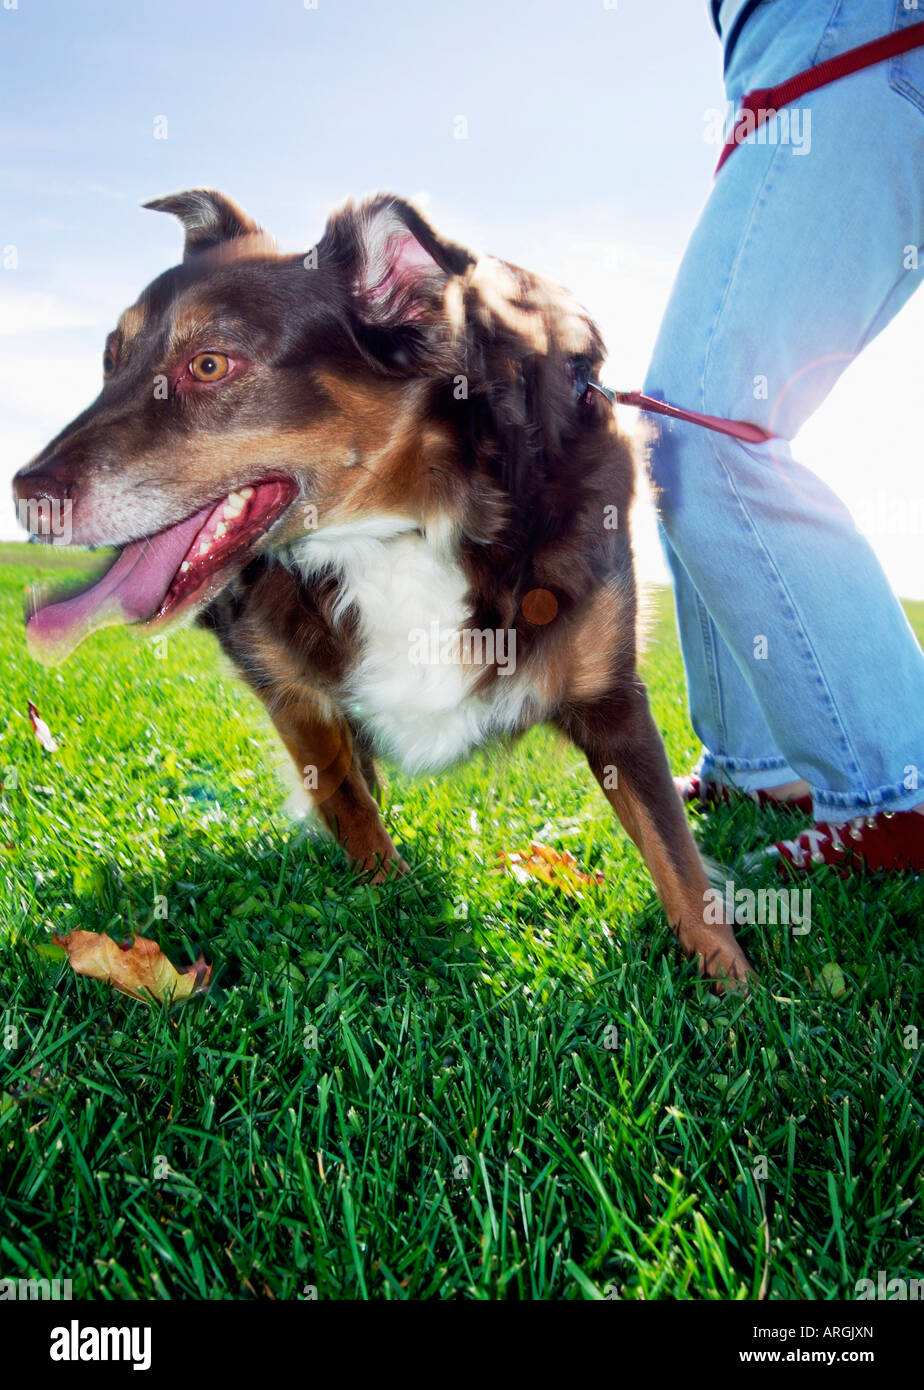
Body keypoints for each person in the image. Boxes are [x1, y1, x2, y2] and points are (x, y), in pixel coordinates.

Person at [643, 0, 924, 873]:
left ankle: (899, 792)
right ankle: (756, 764)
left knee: (705, 420)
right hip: (783, 47)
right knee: (678, 429)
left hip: (855, 27)